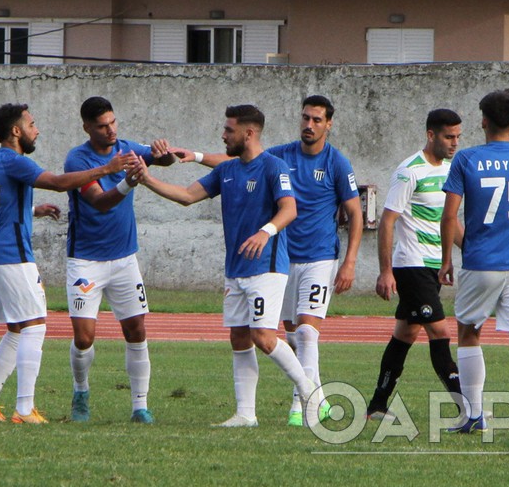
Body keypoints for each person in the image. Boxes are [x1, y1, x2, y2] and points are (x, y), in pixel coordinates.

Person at [176, 95, 363, 427]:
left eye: (317, 120)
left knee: (306, 333)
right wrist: (197, 157)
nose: (309, 125)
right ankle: (299, 400)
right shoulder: (280, 156)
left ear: (328, 124)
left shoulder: (337, 162)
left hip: (320, 257)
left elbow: (355, 212)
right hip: (284, 256)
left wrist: (349, 262)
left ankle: (303, 404)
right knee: (289, 335)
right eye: (305, 118)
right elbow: (238, 160)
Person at [136, 104, 318, 428]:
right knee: (239, 338)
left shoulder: (274, 166)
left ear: (248, 133)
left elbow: (289, 209)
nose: (223, 135)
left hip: (267, 267)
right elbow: (186, 195)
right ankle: (246, 414)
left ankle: (310, 392)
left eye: (228, 130)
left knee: (263, 336)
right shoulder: (227, 170)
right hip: (236, 269)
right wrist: (146, 178)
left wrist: (265, 232)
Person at [0, 103, 135, 424]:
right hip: (13, 255)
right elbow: (59, 182)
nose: (37, 130)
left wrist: (34, 210)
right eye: (31, 124)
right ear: (16, 131)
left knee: (17, 330)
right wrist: (106, 169)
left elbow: (0, 205)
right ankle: (24, 409)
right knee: (34, 326)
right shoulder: (14, 160)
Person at [439, 89, 509, 439]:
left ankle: (474, 414)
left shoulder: (467, 159)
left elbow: (449, 215)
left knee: (469, 332)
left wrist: (446, 259)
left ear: (483, 122)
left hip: (480, 261)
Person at [64, 96, 175, 424]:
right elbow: (100, 202)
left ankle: (140, 406)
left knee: (136, 329)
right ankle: (81, 391)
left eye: (113, 122)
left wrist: (163, 154)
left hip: (125, 259)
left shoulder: (128, 148)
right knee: (84, 337)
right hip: (86, 261)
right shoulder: (78, 160)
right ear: (87, 127)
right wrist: (128, 181)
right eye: (102, 126)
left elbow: (164, 160)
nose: (111, 130)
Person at [365, 109, 465, 420]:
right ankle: (467, 408)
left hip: (434, 267)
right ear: (430, 135)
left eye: (458, 137)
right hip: (412, 265)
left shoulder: (450, 170)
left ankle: (377, 406)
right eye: (449, 137)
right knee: (440, 331)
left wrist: (471, 252)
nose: (454, 143)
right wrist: (386, 271)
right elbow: (387, 221)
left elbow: (449, 221)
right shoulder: (409, 171)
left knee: (405, 335)